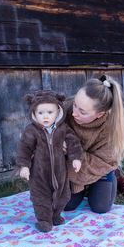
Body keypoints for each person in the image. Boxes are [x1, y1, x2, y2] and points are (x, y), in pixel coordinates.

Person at [16, 90, 83, 232]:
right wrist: (24, 166)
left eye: (50, 112)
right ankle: (44, 220)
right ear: (34, 112)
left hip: (60, 172)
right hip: (39, 174)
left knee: (63, 195)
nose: (45, 116)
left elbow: (73, 142)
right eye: (40, 113)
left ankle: (56, 215)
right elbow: (24, 148)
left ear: (58, 112)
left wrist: (76, 158)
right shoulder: (32, 130)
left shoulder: (63, 128)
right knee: (40, 198)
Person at [64, 75, 124, 214]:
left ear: (100, 114)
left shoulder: (110, 128)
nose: (74, 112)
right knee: (67, 205)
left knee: (100, 207)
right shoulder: (66, 109)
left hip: (99, 165)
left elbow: (103, 161)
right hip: (72, 166)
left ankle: (115, 173)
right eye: (75, 104)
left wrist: (71, 150)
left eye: (82, 111)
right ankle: (82, 187)